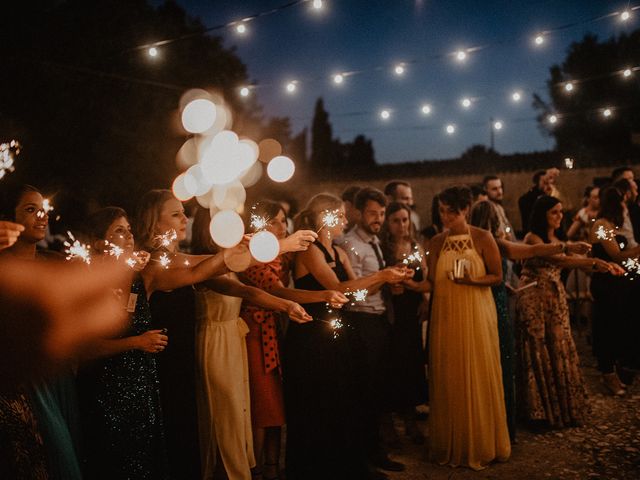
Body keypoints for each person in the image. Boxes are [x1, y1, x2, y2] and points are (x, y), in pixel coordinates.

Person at [189, 206, 322, 480]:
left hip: (234, 340)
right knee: (223, 415)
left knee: (240, 412)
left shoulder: (227, 261)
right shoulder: (203, 263)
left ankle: (249, 471)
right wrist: (284, 246)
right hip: (216, 343)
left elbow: (246, 289)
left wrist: (287, 306)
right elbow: (245, 284)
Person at [286, 193, 406, 480]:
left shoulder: (338, 252)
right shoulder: (309, 250)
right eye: (339, 215)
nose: (344, 220)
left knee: (342, 399)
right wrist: (381, 276)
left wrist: (390, 277)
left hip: (338, 330)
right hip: (313, 333)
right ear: (324, 217)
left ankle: (345, 464)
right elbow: (338, 286)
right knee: (320, 401)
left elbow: (355, 291)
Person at [239, 200, 348, 480]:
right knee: (263, 401)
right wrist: (322, 296)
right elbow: (279, 292)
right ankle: (256, 469)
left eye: (284, 220)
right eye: (275, 221)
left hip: (276, 327)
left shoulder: (281, 255)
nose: (282, 227)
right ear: (260, 225)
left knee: (276, 401)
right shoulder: (253, 256)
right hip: (256, 329)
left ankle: (273, 466)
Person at [469, 200, 591, 441]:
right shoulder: (491, 241)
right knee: (502, 358)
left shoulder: (488, 242)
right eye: (500, 218)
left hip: (498, 298)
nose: (503, 222)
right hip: (493, 303)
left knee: (501, 358)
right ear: (491, 220)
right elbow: (531, 251)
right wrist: (570, 247)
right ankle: (502, 423)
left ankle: (503, 420)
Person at [0, 183, 83, 480]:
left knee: (69, 444)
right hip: (23, 380)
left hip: (59, 374)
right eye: (30, 209)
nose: (41, 216)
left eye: (43, 209)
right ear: (8, 218)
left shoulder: (56, 264)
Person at [516, 195, 620, 429]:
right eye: (554, 212)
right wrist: (590, 260)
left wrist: (601, 265)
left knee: (559, 346)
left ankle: (563, 408)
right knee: (539, 349)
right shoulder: (533, 238)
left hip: (554, 297)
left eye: (561, 211)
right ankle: (539, 412)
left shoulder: (558, 237)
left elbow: (572, 259)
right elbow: (561, 259)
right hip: (534, 298)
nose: (559, 216)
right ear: (542, 214)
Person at [427, 186, 510, 470]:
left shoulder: (482, 238)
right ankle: (454, 441)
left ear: (466, 209)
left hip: (476, 312)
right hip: (446, 316)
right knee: (450, 373)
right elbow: (430, 283)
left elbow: (497, 277)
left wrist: (471, 281)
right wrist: (406, 283)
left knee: (478, 369)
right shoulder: (437, 242)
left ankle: (482, 441)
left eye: (451, 210)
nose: (446, 216)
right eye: (442, 210)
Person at [337, 187, 411, 474]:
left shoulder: (375, 242)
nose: (378, 218)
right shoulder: (349, 244)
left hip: (379, 321)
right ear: (358, 212)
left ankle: (375, 452)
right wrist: (382, 278)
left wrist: (392, 281)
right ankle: (364, 459)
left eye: (381, 213)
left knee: (377, 391)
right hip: (361, 322)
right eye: (372, 213)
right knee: (364, 394)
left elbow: (373, 284)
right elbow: (351, 294)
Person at [379, 202, 429, 444]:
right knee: (392, 363)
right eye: (396, 220)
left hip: (411, 309)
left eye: (405, 220)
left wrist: (424, 297)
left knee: (412, 362)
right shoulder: (383, 248)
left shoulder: (416, 245)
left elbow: (426, 276)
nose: (401, 225)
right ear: (388, 223)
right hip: (391, 311)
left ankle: (411, 421)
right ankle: (390, 423)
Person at [589, 187, 640, 394]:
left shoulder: (613, 225)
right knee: (607, 326)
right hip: (606, 281)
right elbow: (616, 255)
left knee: (622, 325)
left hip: (620, 281)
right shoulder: (601, 225)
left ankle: (621, 369)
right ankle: (607, 373)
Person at [483, 175, 514, 240]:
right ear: (485, 190)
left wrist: (507, 232)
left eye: (500, 187)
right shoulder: (485, 208)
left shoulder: (499, 207)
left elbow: (506, 226)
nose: (499, 192)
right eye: (494, 189)